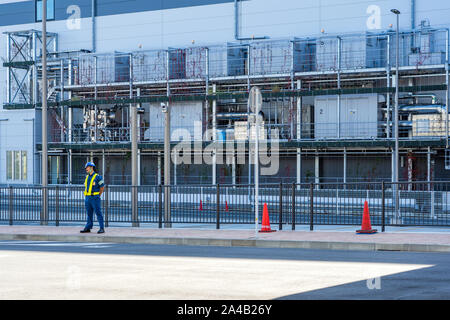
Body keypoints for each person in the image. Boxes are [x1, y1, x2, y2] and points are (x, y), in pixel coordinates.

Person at [80, 162, 106, 234]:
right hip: (88, 198)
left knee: (98, 213)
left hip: (95, 197)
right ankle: (88, 227)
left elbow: (102, 187)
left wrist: (98, 195)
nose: (86, 169)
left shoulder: (98, 177)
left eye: (87, 167)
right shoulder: (87, 177)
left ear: (92, 168)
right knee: (89, 213)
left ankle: (101, 228)